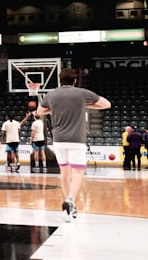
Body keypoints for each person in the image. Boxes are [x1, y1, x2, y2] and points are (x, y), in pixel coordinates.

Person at [37, 68, 111, 222]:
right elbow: (106, 104)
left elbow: (40, 111)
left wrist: (55, 109)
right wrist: (85, 106)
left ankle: (70, 207)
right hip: (76, 139)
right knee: (77, 173)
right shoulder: (82, 93)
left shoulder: (52, 94)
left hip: (58, 139)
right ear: (75, 81)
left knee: (64, 172)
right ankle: (70, 200)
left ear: (59, 80)